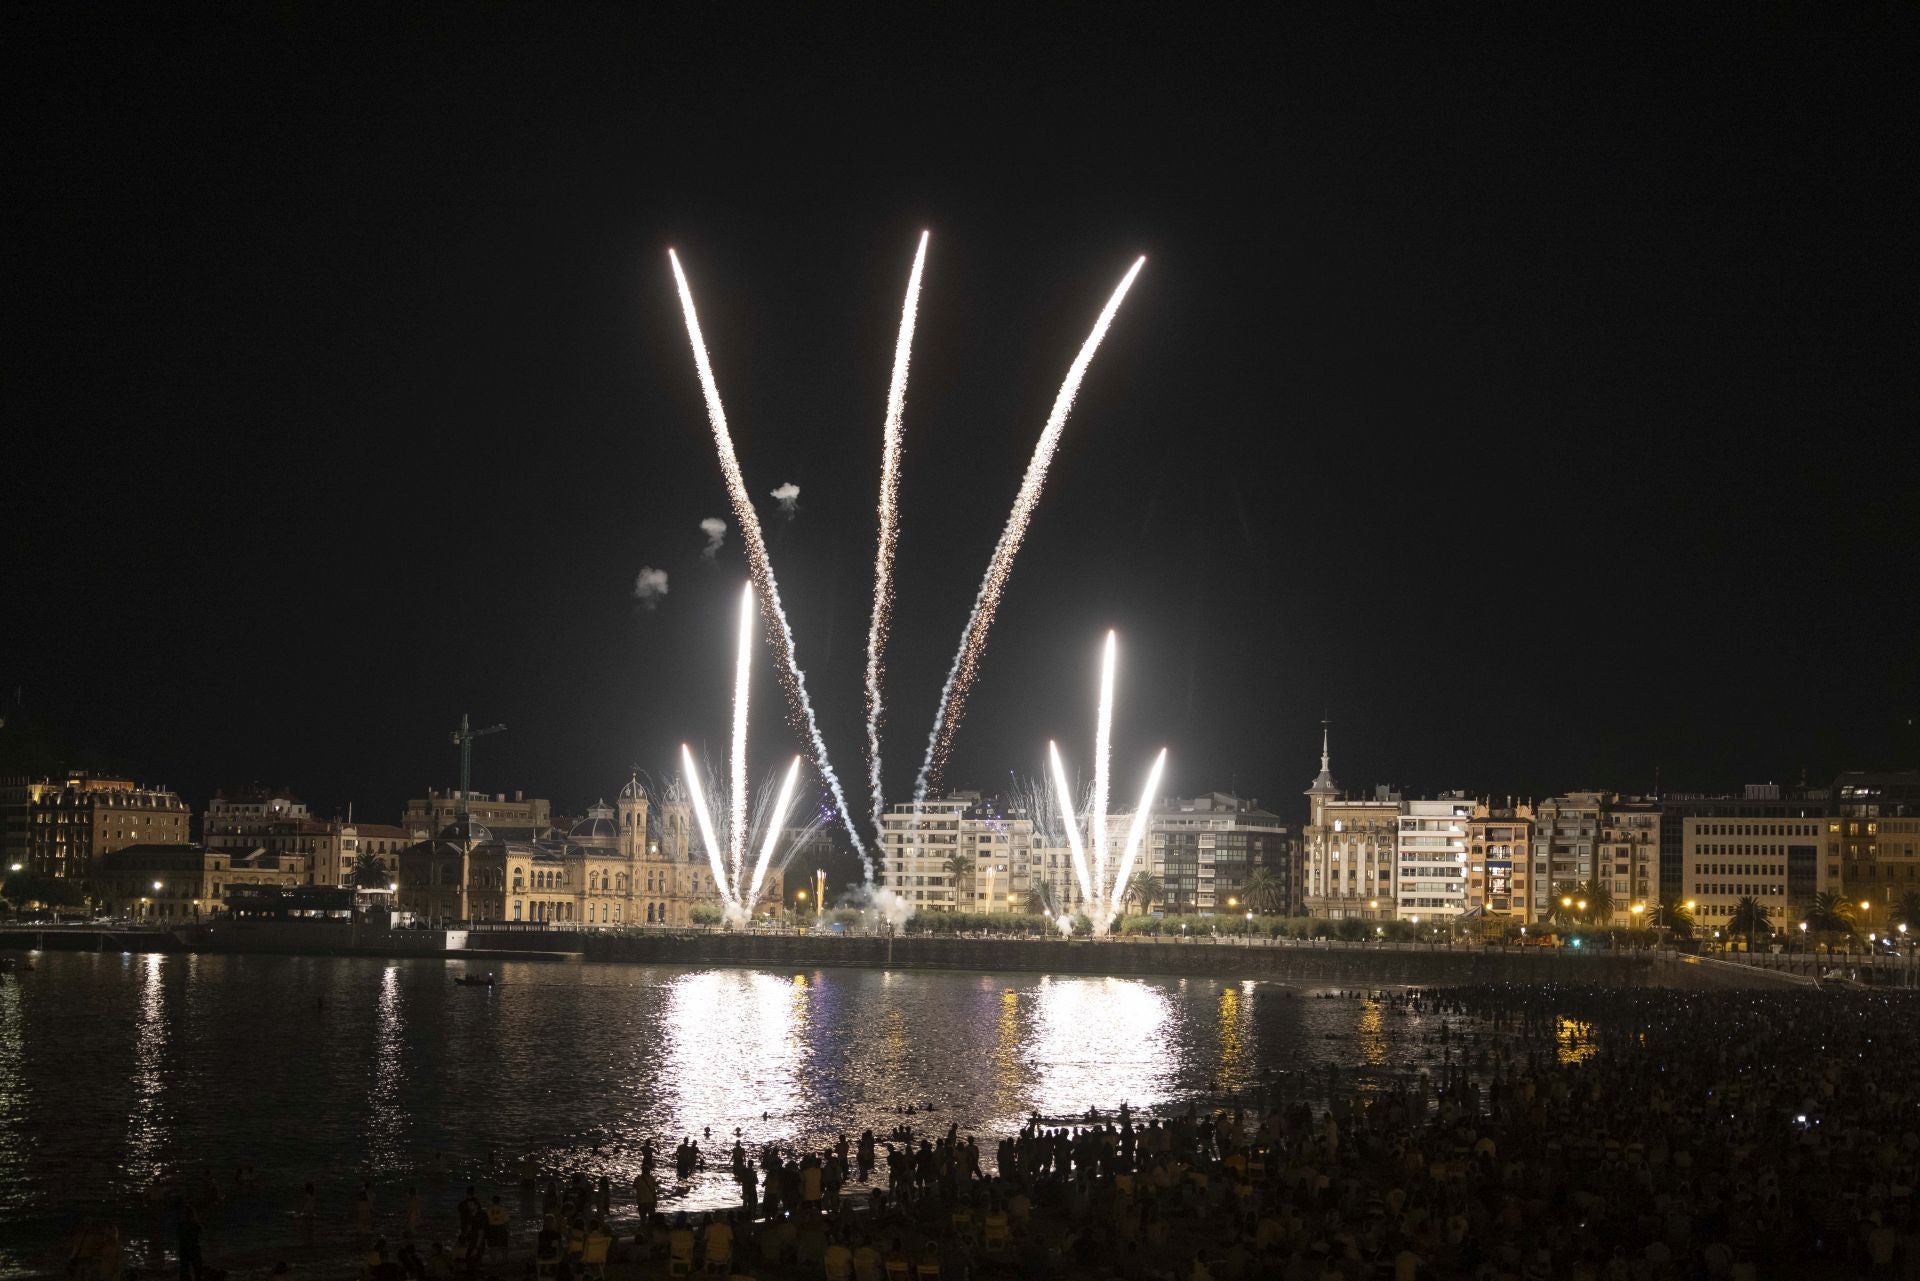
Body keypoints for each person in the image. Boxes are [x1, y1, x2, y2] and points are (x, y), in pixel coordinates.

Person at [175, 1204, 204, 1281]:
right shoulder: (194, 1225)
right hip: (191, 1248)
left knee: (187, 1269)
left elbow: (180, 1236)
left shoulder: (184, 1225)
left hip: (187, 1248)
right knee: (195, 1269)